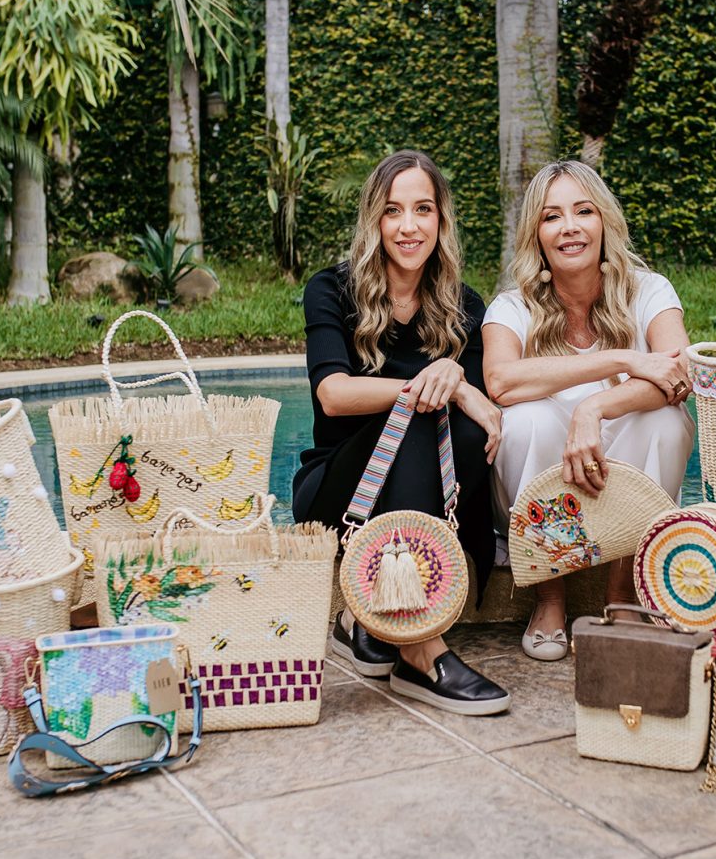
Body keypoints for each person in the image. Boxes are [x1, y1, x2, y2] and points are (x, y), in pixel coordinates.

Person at [293, 150, 509, 714]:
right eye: (393, 211)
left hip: (433, 496)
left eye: (422, 209)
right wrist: (442, 384)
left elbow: (482, 420)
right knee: (415, 414)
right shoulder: (331, 289)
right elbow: (334, 394)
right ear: (375, 219)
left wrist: (458, 384)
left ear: (441, 219)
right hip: (340, 489)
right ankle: (419, 646)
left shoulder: (464, 306)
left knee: (460, 431)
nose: (408, 226)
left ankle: (362, 619)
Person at [483, 160, 695, 661]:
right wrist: (621, 360)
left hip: (622, 469)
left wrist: (594, 409)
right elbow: (501, 381)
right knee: (524, 421)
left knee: (665, 421)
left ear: (604, 221)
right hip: (549, 484)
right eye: (552, 216)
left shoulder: (649, 290)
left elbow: (681, 372)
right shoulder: (511, 307)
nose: (570, 227)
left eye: (583, 211)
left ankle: (622, 594)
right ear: (536, 234)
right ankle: (549, 597)